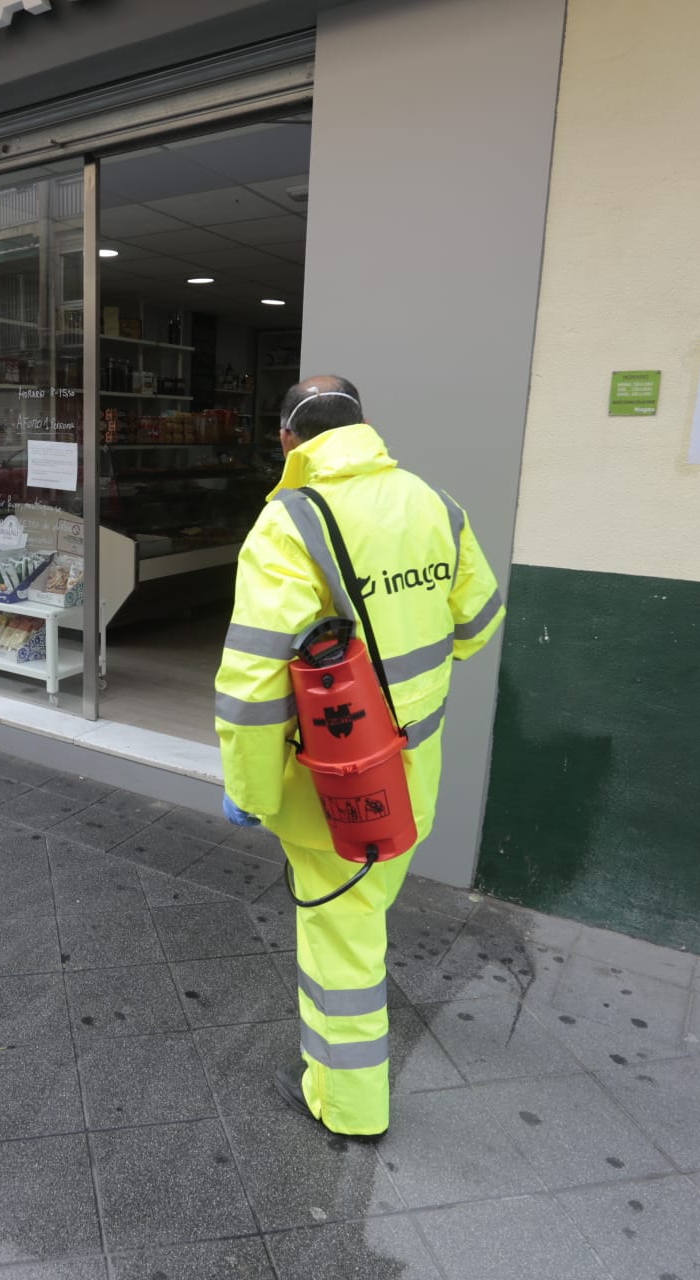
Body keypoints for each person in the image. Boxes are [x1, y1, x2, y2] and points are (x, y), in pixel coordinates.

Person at [213, 374, 504, 1138]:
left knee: (340, 947)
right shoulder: (434, 502)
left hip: (335, 793)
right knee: (365, 917)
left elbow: (251, 682)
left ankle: (348, 1107)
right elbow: (478, 622)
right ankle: (346, 1082)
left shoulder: (290, 524)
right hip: (414, 774)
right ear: (365, 424)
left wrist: (251, 787)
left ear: (287, 439)